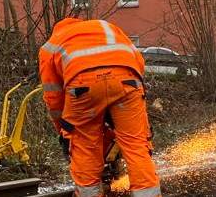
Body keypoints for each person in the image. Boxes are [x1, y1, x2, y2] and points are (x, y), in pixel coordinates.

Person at [38, 18, 160, 197]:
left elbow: (54, 97)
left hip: (82, 88)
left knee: (85, 147)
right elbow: (138, 64)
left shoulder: (51, 45)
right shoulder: (107, 28)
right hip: (127, 83)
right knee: (136, 145)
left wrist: (65, 131)